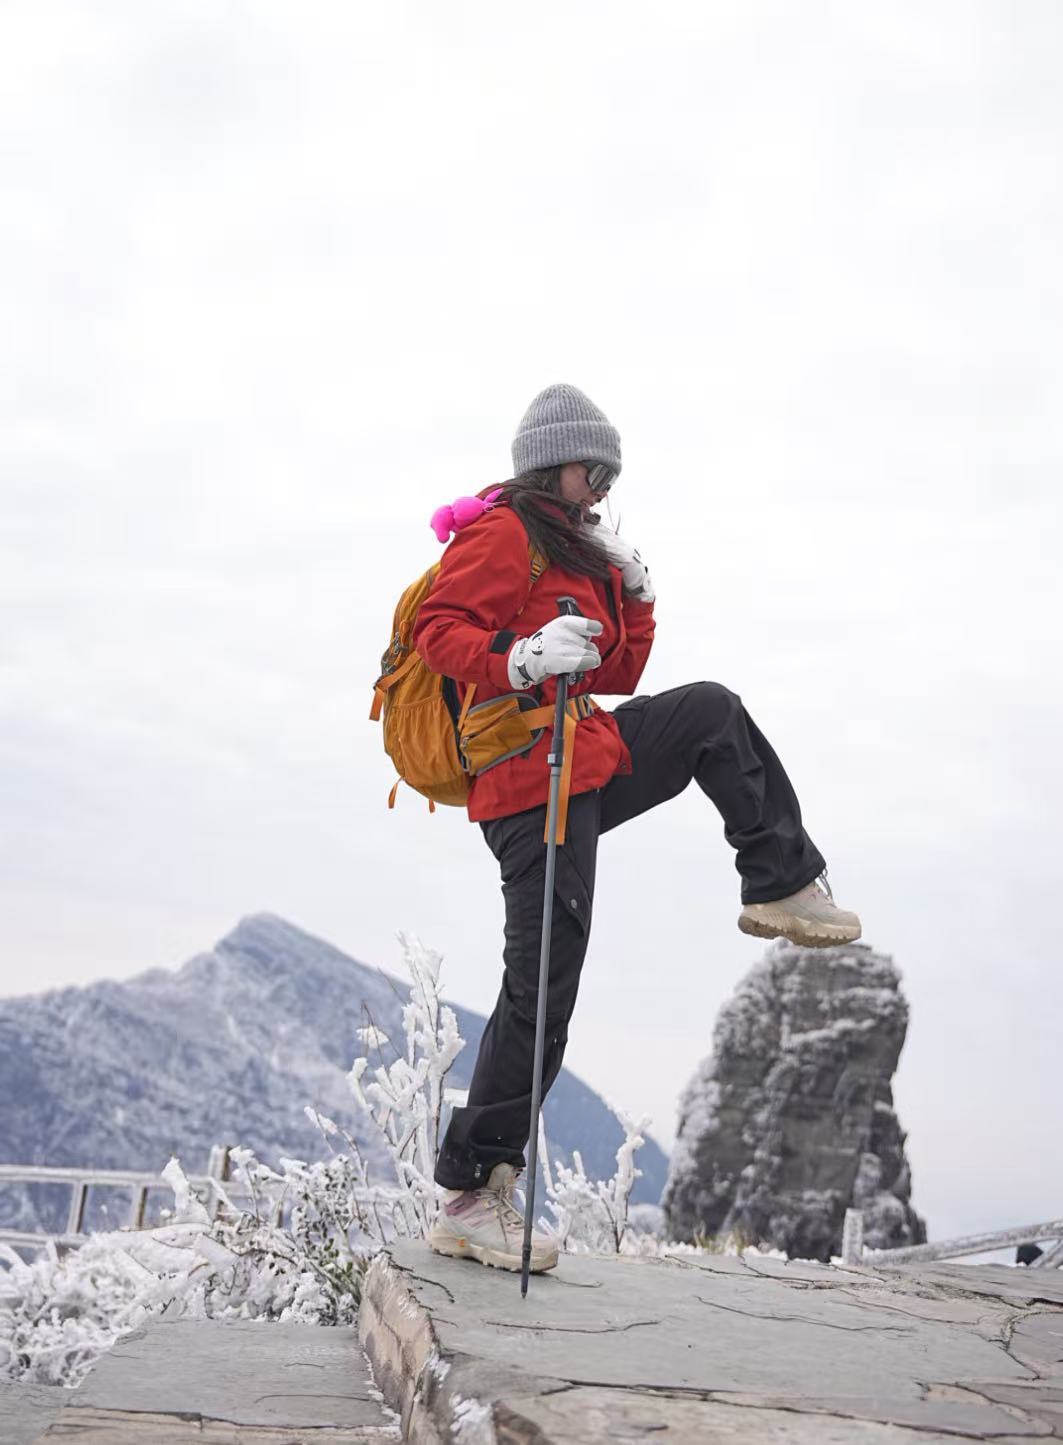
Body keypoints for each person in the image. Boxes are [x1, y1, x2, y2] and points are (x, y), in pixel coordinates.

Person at [412, 383, 862, 1273]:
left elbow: (615, 668)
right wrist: (518, 658)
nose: (605, 487)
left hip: (585, 758)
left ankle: (779, 881)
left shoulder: (572, 548)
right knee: (543, 982)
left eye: (611, 472)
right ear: (554, 463)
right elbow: (438, 628)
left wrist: (635, 592)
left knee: (707, 713)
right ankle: (473, 1193)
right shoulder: (504, 534)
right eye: (595, 469)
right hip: (523, 785)